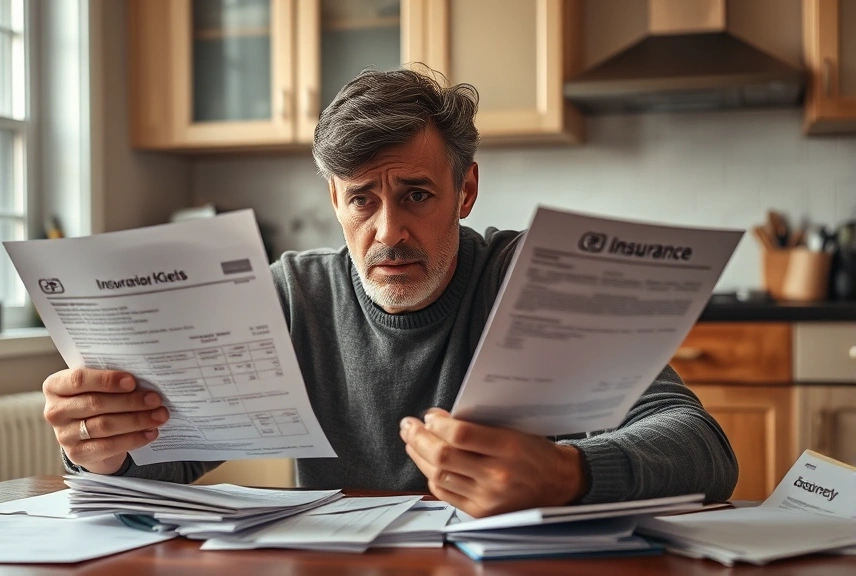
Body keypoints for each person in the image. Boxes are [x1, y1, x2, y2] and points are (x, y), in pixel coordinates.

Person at [43, 68, 738, 518]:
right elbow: (163, 466)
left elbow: (704, 449)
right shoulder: (290, 296)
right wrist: (102, 450)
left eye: (416, 195)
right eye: (360, 201)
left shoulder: (530, 277)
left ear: (465, 191)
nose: (388, 231)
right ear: (334, 200)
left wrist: (567, 473)